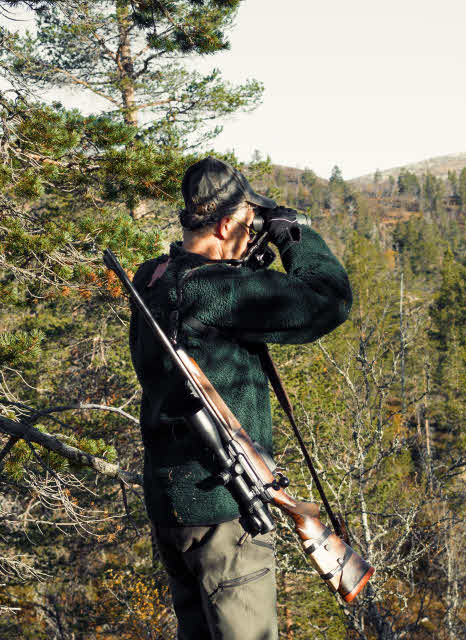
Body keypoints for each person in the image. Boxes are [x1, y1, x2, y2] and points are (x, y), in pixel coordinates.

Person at [126, 157, 353, 639]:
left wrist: (245, 255)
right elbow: (329, 300)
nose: (253, 236)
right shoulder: (213, 290)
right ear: (226, 225)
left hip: (173, 510)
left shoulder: (152, 277)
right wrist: (294, 237)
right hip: (225, 515)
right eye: (249, 227)